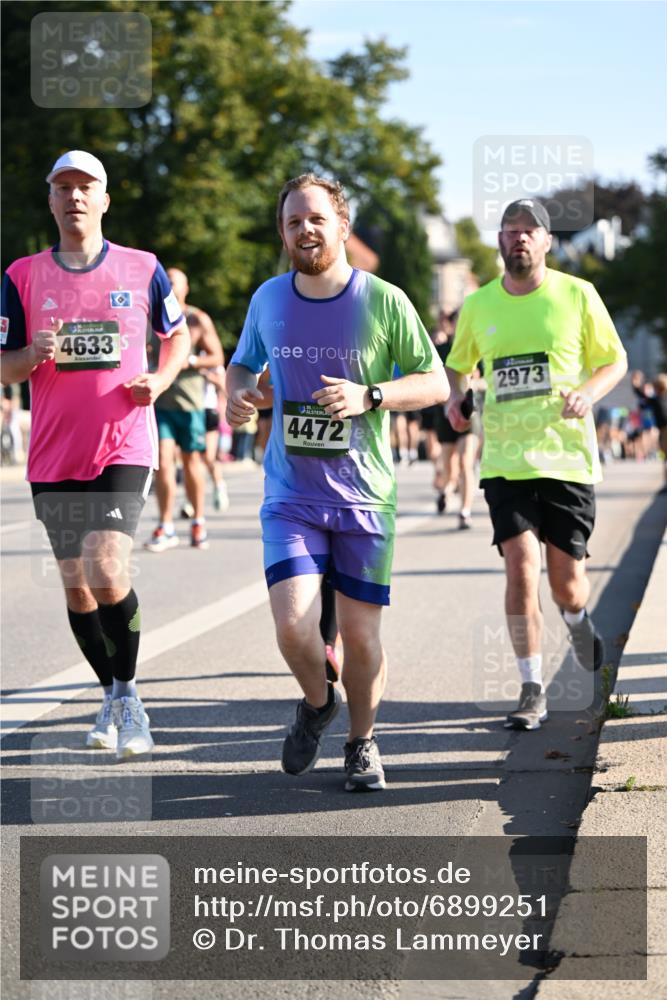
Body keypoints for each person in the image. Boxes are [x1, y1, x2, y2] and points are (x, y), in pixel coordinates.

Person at [226, 173, 448, 791]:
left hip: (363, 497)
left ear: (342, 226)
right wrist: (238, 394)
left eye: (317, 219)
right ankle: (319, 702)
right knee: (293, 626)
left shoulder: (383, 300)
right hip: (292, 495)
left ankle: (361, 741)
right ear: (283, 232)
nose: (306, 230)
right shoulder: (269, 298)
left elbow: (435, 382)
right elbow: (243, 364)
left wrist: (370, 395)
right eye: (294, 221)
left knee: (360, 636)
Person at [0, 150, 190, 757]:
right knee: (77, 587)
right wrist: (31, 354)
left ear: (105, 200)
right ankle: (110, 693)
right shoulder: (21, 276)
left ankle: (129, 697)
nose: (75, 196)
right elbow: (4, 366)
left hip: (123, 444)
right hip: (54, 454)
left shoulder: (143, 267)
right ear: (51, 200)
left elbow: (177, 335)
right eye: (64, 187)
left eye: (86, 187)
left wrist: (160, 380)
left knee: (107, 569)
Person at [446, 198, 627, 730]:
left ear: (547, 241)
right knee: (521, 566)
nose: (519, 237)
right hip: (505, 459)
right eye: (510, 230)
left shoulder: (578, 294)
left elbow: (614, 360)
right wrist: (457, 399)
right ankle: (531, 686)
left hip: (566, 458)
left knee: (566, 583)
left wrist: (588, 393)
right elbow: (458, 366)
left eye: (530, 230)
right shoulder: (479, 304)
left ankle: (576, 616)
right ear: (499, 241)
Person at [144, 267, 223, 552]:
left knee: (192, 462)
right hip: (160, 402)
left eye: (175, 281)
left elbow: (217, 356)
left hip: (190, 404)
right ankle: (165, 525)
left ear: (186, 287)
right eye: (166, 281)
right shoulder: (151, 317)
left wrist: (189, 360)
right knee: (163, 461)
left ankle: (198, 522)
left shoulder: (197, 318)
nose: (170, 285)